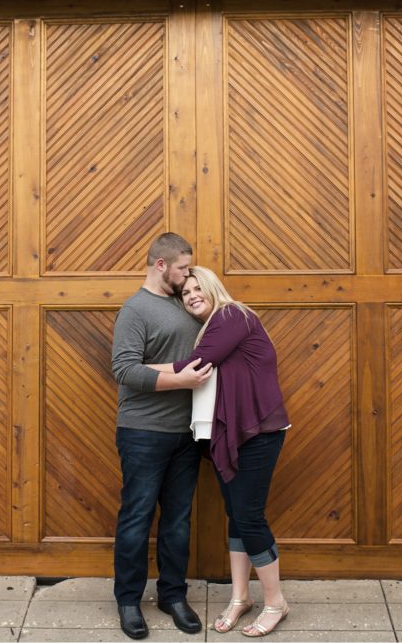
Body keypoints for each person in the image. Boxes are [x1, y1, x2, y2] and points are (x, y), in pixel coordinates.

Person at [149, 266, 291, 637]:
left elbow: (194, 366)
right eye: (185, 292)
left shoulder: (232, 314)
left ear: (213, 288)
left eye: (198, 288)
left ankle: (276, 603)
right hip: (228, 435)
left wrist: (141, 369)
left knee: (249, 516)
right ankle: (240, 597)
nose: (192, 295)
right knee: (237, 515)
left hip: (257, 433)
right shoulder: (211, 326)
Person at [110, 233, 214, 640]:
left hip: (186, 433)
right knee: (136, 518)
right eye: (183, 268)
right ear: (160, 265)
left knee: (177, 521)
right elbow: (125, 371)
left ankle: (173, 596)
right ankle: (128, 601)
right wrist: (179, 378)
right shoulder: (135, 310)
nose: (188, 274)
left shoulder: (185, 301)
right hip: (142, 433)